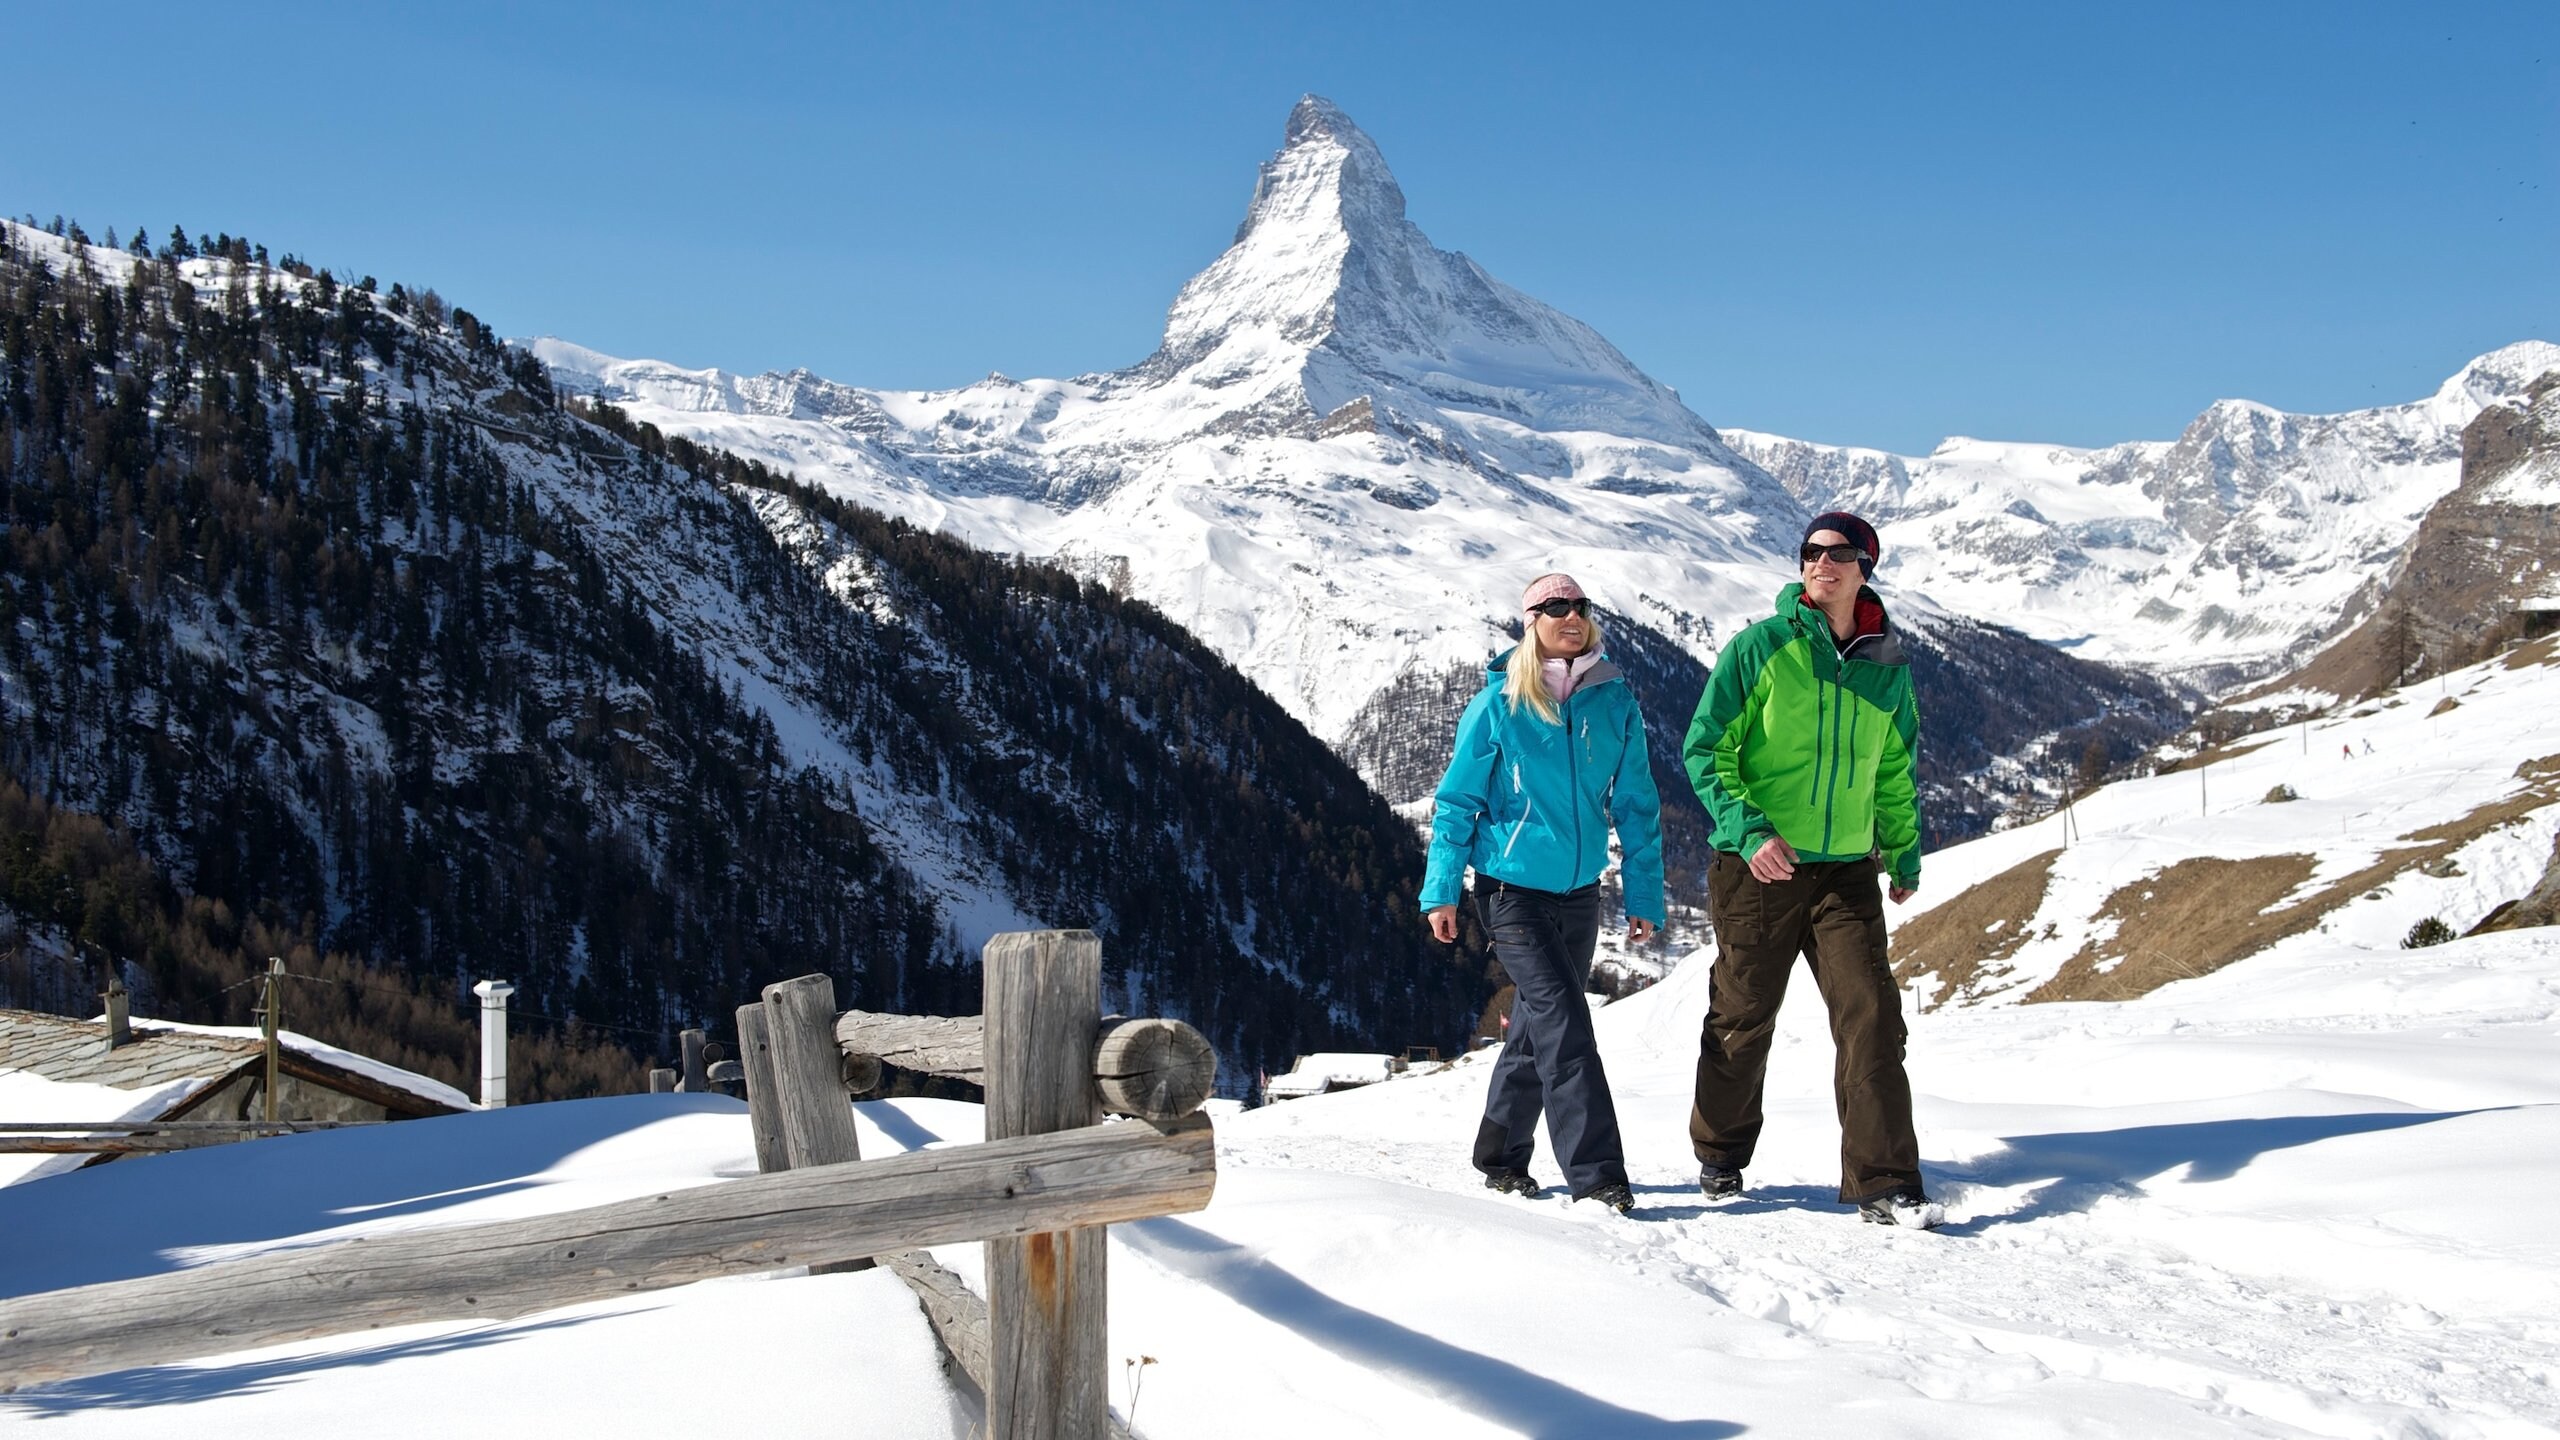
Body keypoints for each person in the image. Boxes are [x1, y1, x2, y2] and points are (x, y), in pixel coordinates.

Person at [1682, 512, 1941, 1228]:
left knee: (1873, 1016)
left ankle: (1885, 1180)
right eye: (1810, 552)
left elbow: (1895, 769)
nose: (1821, 562)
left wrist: (1903, 851)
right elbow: (1705, 749)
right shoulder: (1761, 648)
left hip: (1847, 873)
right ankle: (1720, 1152)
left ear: (1865, 567)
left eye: (1838, 552)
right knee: (1743, 1015)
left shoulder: (1887, 667)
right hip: (1758, 868)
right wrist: (1749, 831)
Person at [1423, 574, 1666, 1215]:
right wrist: (1441, 891)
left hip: (1580, 893)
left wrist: (1644, 895)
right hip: (1510, 893)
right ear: (1531, 620)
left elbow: (1637, 804)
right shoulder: (1499, 703)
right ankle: (1598, 1176)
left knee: (1537, 1027)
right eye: (1556, 607)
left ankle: (1499, 1156)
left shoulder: (1613, 701)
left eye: (1579, 606)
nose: (1571, 616)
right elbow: (1457, 803)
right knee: (1566, 1023)